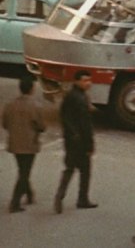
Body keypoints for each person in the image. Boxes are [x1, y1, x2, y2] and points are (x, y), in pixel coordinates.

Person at [54, 70, 98, 213]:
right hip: (81, 142)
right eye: (85, 80)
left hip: (70, 140)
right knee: (85, 171)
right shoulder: (81, 99)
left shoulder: (69, 96)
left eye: (89, 80)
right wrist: (90, 144)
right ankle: (82, 199)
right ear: (77, 81)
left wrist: (70, 133)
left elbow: (64, 116)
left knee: (69, 168)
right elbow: (85, 125)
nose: (88, 83)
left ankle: (60, 194)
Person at [2, 75, 45, 213]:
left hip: (14, 143)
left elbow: (5, 124)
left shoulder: (10, 105)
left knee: (23, 169)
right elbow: (41, 126)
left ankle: (30, 194)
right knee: (25, 172)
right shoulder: (35, 105)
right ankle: (15, 202)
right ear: (32, 89)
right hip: (29, 143)